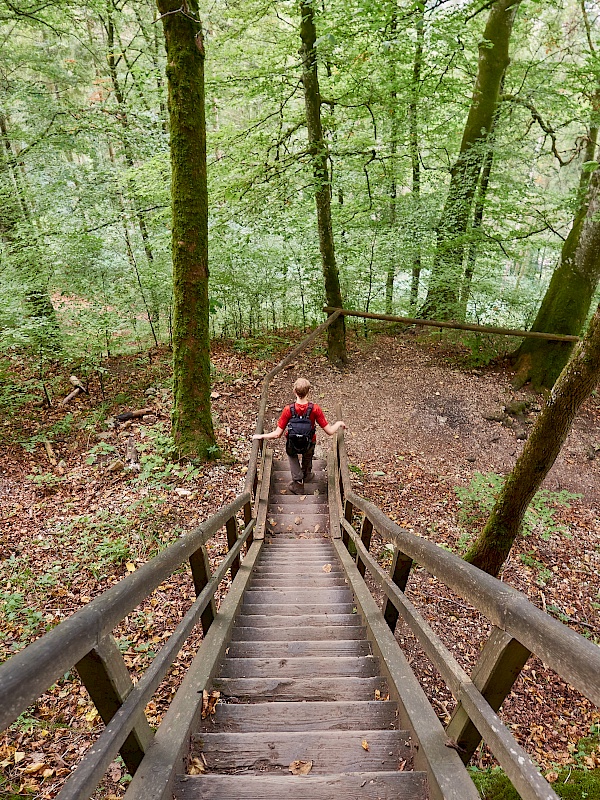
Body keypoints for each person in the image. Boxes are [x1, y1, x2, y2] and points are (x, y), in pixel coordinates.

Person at [252, 377, 347, 494]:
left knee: (292, 455)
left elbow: (277, 434)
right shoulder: (315, 409)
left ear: (294, 391)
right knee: (308, 454)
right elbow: (329, 431)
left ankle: (298, 482)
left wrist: (261, 436)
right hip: (309, 441)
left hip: (292, 442)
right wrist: (338, 423)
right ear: (308, 392)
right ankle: (307, 474)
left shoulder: (288, 410)